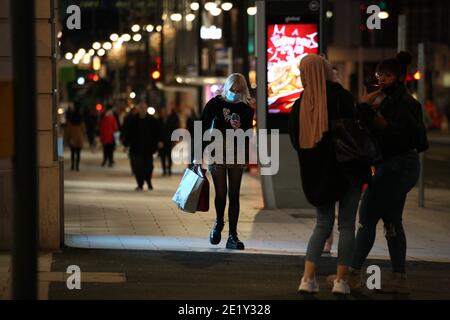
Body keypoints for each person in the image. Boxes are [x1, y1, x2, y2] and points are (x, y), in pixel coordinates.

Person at [288, 54, 371, 294]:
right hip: (347, 173)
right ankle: (341, 282)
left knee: (322, 225)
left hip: (318, 177)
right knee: (346, 226)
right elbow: (356, 133)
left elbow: (296, 142)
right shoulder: (342, 97)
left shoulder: (299, 104)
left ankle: (307, 279)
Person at [348, 52, 429, 293]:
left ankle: (352, 275)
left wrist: (371, 113)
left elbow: (402, 137)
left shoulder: (404, 104)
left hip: (397, 166)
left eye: (388, 75)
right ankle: (399, 278)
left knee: (367, 216)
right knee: (392, 221)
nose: (382, 79)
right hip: (397, 166)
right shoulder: (388, 99)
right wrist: (367, 108)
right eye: (379, 75)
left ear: (399, 77)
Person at [200, 73, 255, 250]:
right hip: (217, 150)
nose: (235, 92)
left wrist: (242, 130)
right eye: (233, 89)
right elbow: (202, 126)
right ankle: (218, 223)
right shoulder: (215, 103)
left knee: (234, 194)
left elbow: (248, 133)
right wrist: (197, 155)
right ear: (227, 87)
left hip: (236, 151)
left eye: (239, 89)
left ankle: (233, 235)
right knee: (221, 194)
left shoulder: (247, 108)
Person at [123, 101, 161, 191]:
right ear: (138, 109)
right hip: (136, 148)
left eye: (144, 108)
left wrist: (160, 141)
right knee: (138, 167)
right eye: (141, 108)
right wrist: (126, 144)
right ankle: (140, 184)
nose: (142, 110)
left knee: (149, 166)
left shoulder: (152, 120)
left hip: (148, 148)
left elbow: (158, 132)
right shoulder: (133, 120)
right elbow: (128, 133)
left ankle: (148, 181)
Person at [157, 108, 179, 176]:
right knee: (163, 156)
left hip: (169, 141)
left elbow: (173, 130)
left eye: (164, 112)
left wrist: (174, 139)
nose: (163, 114)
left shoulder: (170, 120)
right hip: (161, 142)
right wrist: (158, 141)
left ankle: (169, 170)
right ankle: (164, 170)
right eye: (162, 112)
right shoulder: (158, 121)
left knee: (169, 156)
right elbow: (156, 132)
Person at [65, 105, 85, 171]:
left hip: (72, 138)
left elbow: (68, 130)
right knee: (78, 153)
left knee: (72, 153)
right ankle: (77, 166)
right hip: (79, 138)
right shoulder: (81, 120)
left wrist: (67, 138)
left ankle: (72, 166)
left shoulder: (71, 121)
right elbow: (84, 130)